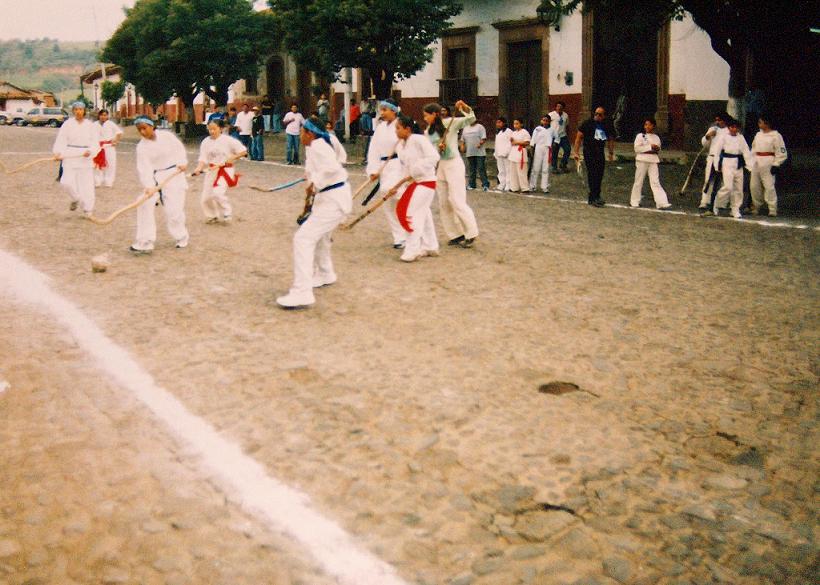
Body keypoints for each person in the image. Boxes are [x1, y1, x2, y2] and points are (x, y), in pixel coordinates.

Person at [276, 118, 352, 309]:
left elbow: (333, 167)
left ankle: (302, 292)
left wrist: (315, 182)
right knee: (321, 238)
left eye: (302, 131)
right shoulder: (313, 146)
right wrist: (310, 178)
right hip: (327, 198)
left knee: (303, 239)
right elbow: (321, 168)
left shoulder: (319, 145)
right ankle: (325, 273)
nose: (299, 134)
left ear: (310, 133)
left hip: (334, 199)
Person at [423, 100, 479, 247]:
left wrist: (464, 107)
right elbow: (429, 151)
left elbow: (471, 119)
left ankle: (471, 233)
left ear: (435, 114)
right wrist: (438, 148)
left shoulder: (450, 123)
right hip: (440, 166)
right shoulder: (428, 132)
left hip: (454, 164)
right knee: (444, 202)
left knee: (456, 200)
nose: (425, 118)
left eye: (426, 115)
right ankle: (455, 234)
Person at [130, 116, 189, 253]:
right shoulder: (141, 147)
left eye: (144, 128)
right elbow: (144, 169)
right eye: (139, 130)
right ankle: (145, 241)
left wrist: (182, 162)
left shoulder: (167, 136)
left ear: (152, 126)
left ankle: (181, 236)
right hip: (155, 177)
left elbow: (179, 149)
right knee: (143, 202)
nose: (143, 132)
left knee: (174, 212)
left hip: (174, 174)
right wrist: (149, 186)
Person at [386, 114, 440, 262]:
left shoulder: (419, 139)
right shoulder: (400, 146)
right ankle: (430, 246)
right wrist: (397, 186)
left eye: (398, 128)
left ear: (408, 129)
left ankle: (412, 249)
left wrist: (416, 170)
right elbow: (404, 169)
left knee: (411, 213)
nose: (396, 131)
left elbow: (434, 157)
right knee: (424, 214)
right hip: (414, 182)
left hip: (426, 181)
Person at [366, 98, 407, 248]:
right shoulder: (380, 127)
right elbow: (373, 150)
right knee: (387, 203)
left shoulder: (401, 125)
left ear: (394, 111)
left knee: (399, 197)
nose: (381, 113)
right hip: (383, 167)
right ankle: (399, 237)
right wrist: (373, 170)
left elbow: (407, 146)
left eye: (385, 110)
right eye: (381, 110)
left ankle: (411, 233)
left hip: (398, 165)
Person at [191, 117, 247, 224]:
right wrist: (198, 168)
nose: (211, 131)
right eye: (209, 129)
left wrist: (233, 157)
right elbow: (203, 158)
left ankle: (227, 212)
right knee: (206, 197)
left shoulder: (228, 140)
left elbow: (243, 151)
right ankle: (212, 216)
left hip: (225, 170)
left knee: (217, 193)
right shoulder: (206, 142)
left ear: (220, 128)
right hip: (212, 170)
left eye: (214, 129)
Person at [52, 101, 100, 216]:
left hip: (85, 157)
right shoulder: (67, 124)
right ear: (73, 111)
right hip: (70, 156)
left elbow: (95, 142)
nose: (78, 112)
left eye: (81, 109)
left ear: (84, 111)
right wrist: (58, 152)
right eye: (76, 109)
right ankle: (75, 198)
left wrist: (91, 151)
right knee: (65, 182)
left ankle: (88, 209)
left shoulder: (90, 125)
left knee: (86, 185)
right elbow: (61, 139)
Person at [706, 119, 752, 219]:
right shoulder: (724, 137)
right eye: (732, 127)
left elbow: (746, 152)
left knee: (738, 188)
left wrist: (749, 166)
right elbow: (717, 151)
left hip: (738, 163)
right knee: (728, 187)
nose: (734, 129)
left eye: (736, 127)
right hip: (727, 162)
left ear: (738, 128)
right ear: (729, 128)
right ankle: (715, 204)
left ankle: (735, 209)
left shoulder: (741, 138)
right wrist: (716, 165)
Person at [573, 106, 616, 207]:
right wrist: (576, 152)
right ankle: (592, 197)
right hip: (589, 151)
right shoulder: (587, 123)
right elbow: (578, 137)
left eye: (600, 114)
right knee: (592, 174)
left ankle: (597, 195)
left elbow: (611, 139)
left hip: (599, 152)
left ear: (604, 116)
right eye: (596, 113)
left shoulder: (606, 125)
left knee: (599, 174)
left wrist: (610, 153)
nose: (597, 116)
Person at [749, 114, 787, 217]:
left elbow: (781, 152)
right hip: (757, 161)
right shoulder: (758, 135)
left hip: (768, 161)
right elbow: (753, 149)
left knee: (769, 186)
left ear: (767, 123)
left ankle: (772, 208)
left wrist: (776, 164)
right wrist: (751, 162)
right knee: (754, 186)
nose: (759, 124)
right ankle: (756, 206)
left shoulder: (776, 136)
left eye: (761, 122)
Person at [630, 118, 672, 209]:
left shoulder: (656, 137)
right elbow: (637, 149)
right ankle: (634, 200)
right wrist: (650, 147)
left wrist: (655, 148)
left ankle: (661, 202)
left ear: (653, 126)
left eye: (649, 124)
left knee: (655, 181)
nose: (647, 126)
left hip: (653, 160)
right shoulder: (640, 136)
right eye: (646, 124)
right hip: (642, 159)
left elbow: (658, 149)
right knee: (639, 181)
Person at [699, 112, 730, 210]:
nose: (717, 122)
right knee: (708, 180)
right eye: (716, 120)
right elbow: (704, 144)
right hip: (712, 157)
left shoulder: (729, 130)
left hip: (725, 158)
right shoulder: (713, 129)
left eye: (720, 120)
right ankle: (704, 201)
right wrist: (708, 136)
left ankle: (721, 203)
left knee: (724, 181)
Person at [93, 108, 123, 188]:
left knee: (110, 164)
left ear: (107, 116)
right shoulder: (94, 124)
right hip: (97, 146)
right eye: (101, 115)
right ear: (99, 116)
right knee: (97, 164)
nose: (103, 117)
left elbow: (119, 132)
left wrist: (115, 141)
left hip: (108, 146)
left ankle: (108, 181)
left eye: (105, 115)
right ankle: (97, 181)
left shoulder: (110, 124)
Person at [462, 117, 489, 191]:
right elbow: (463, 140)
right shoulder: (465, 129)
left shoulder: (480, 127)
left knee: (481, 168)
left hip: (479, 152)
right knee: (471, 169)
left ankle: (485, 184)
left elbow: (484, 138)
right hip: (470, 152)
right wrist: (463, 147)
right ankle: (472, 184)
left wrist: (480, 144)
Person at [529, 115, 554, 193]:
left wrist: (554, 144)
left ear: (550, 121)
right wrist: (532, 148)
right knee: (536, 167)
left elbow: (557, 138)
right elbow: (533, 140)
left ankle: (544, 186)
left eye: (547, 120)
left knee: (545, 168)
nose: (545, 122)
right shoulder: (537, 129)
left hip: (547, 149)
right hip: (538, 148)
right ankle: (532, 185)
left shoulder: (552, 130)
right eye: (543, 120)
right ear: (541, 121)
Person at [507, 118, 531, 193]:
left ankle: (525, 188)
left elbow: (527, 143)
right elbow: (512, 142)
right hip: (513, 152)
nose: (515, 125)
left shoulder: (525, 132)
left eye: (517, 123)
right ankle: (514, 187)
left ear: (521, 124)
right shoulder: (513, 133)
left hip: (521, 152)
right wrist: (511, 141)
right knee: (513, 172)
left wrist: (517, 143)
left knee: (521, 172)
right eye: (514, 124)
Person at [548, 101, 571, 173]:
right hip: (554, 137)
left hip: (563, 136)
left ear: (563, 108)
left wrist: (568, 135)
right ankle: (554, 167)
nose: (559, 108)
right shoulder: (551, 115)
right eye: (557, 106)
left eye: (561, 107)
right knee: (555, 152)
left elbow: (567, 125)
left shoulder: (565, 115)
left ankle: (563, 164)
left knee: (568, 149)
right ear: (555, 107)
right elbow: (546, 124)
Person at [493, 117, 512, 191]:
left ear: (504, 123)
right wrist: (496, 152)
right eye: (497, 122)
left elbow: (510, 143)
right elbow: (496, 143)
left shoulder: (509, 131)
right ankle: (502, 183)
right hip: (499, 153)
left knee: (508, 170)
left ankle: (508, 184)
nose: (498, 124)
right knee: (501, 170)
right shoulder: (498, 132)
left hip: (506, 154)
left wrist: (507, 152)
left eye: (499, 122)